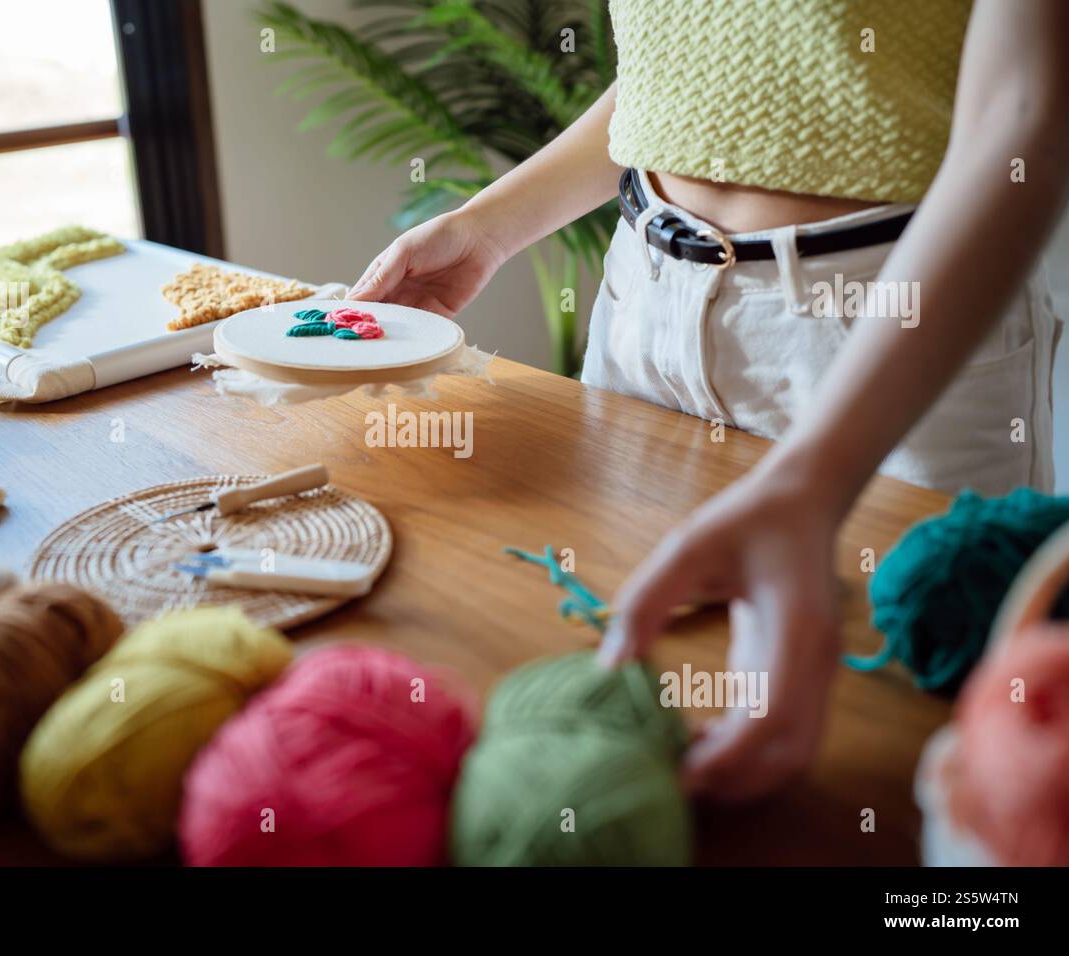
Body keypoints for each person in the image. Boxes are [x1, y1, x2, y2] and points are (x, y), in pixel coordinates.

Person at [348, 0, 1069, 799]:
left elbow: (1022, 116)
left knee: (905, 751)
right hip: (646, 297)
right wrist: (488, 229)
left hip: (889, 325)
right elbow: (680, 74)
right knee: (621, 676)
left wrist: (811, 481)